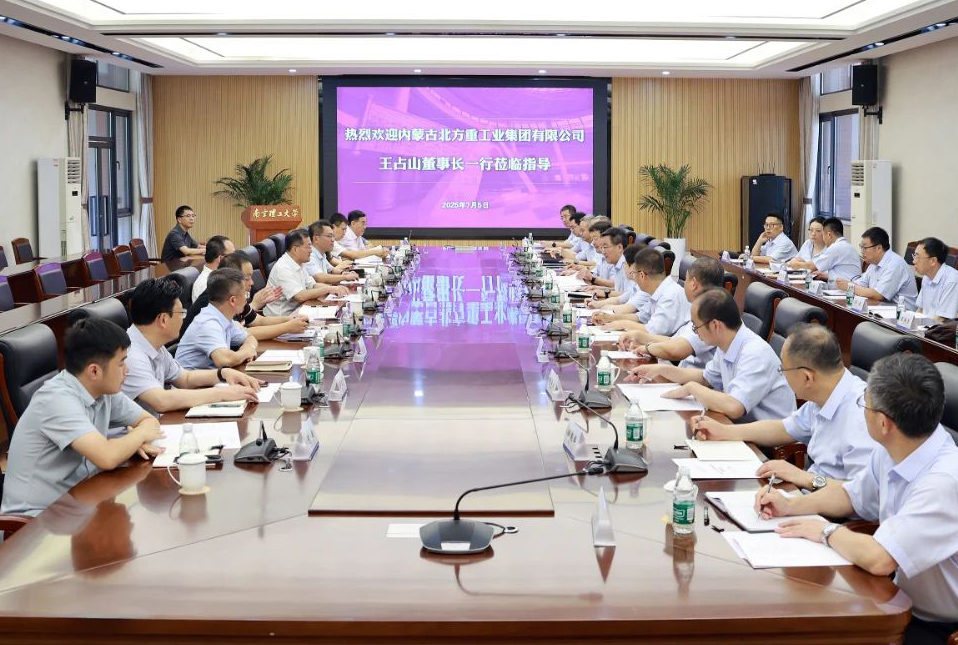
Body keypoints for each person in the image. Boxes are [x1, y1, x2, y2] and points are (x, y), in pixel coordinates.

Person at [756, 354, 958, 644]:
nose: (861, 407)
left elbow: (880, 558)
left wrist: (826, 531)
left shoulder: (943, 482)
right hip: (898, 597)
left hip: (939, 627)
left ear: (884, 423)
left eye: (865, 402)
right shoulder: (895, 447)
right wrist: (790, 505)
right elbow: (850, 496)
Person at [0, 314, 164, 517]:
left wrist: (133, 441)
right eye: (121, 363)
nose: (127, 371)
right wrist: (138, 436)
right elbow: (107, 457)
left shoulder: (104, 391)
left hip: (80, 499)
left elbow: (148, 420)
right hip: (35, 519)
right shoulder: (56, 400)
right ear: (94, 371)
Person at [693, 324, 877, 488]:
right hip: (810, 497)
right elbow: (783, 428)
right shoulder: (825, 394)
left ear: (807, 377)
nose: (782, 375)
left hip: (829, 510)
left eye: (783, 370)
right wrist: (724, 431)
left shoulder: (862, 418)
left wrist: (805, 478)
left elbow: (861, 496)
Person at [625, 289, 796, 422]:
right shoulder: (727, 343)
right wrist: (660, 369)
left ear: (715, 325)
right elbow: (706, 378)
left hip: (767, 445)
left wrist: (692, 388)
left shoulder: (755, 353)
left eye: (696, 327)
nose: (695, 332)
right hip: (738, 426)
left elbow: (734, 406)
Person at [123, 278, 263, 415]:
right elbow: (161, 401)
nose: (183, 319)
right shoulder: (131, 354)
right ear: (163, 319)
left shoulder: (153, 344)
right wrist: (222, 394)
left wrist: (223, 374)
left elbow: (185, 378)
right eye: (181, 313)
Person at [618, 256, 724, 368]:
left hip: (691, 375)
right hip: (681, 372)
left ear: (693, 284)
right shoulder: (702, 308)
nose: (684, 284)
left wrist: (647, 348)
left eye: (686, 279)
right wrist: (639, 336)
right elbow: (674, 340)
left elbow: (676, 349)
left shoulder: (710, 315)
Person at [183, 252, 309, 341]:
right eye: (247, 278)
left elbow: (258, 321)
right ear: (233, 277)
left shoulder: (236, 294)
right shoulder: (216, 299)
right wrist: (287, 327)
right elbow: (244, 333)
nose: (252, 283)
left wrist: (290, 319)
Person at [175, 268, 259, 369]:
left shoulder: (223, 317)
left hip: (214, 377)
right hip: (195, 379)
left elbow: (250, 338)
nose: (246, 299)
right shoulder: (207, 324)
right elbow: (225, 360)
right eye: (245, 294)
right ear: (233, 300)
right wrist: (246, 352)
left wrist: (249, 348)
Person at [595, 247, 689, 335]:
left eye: (634, 273)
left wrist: (622, 324)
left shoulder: (669, 296)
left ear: (642, 276)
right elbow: (640, 317)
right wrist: (610, 318)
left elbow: (652, 331)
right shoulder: (657, 291)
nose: (634, 278)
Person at [264, 229, 348, 317]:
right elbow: (300, 296)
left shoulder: (299, 262)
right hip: (281, 318)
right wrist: (328, 289)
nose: (311, 250)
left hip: (299, 310)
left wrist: (335, 289)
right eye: (308, 246)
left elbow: (312, 285)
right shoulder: (283, 268)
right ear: (295, 249)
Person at [838, 226, 918, 309]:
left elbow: (879, 295)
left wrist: (850, 287)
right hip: (881, 308)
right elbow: (862, 284)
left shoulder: (895, 264)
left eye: (865, 248)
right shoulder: (874, 263)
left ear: (878, 248)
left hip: (902, 313)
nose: (862, 251)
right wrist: (846, 284)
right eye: (861, 247)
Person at [913, 236, 958, 321]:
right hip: (924, 325)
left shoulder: (952, 280)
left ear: (933, 261)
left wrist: (921, 327)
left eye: (918, 257)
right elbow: (920, 309)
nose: (914, 261)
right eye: (914, 256)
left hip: (939, 328)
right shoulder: (926, 277)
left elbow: (941, 319)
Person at [306, 220, 360, 285]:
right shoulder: (309, 255)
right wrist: (344, 277)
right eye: (329, 236)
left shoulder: (322, 254)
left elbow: (332, 270)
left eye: (333, 236)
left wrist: (343, 273)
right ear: (316, 239)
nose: (333, 240)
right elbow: (319, 277)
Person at [810, 216, 862, 281]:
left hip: (845, 286)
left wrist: (798, 265)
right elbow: (842, 272)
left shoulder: (836, 247)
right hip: (845, 284)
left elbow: (812, 267)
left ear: (829, 235)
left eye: (823, 235)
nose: (823, 239)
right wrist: (825, 275)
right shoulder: (846, 246)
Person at [582, 227, 628, 294]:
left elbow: (627, 296)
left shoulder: (628, 267)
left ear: (619, 247)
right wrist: (598, 288)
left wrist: (605, 294)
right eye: (602, 247)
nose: (603, 252)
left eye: (605, 247)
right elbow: (618, 290)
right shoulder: (617, 264)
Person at [191, 235, 234, 302]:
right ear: (220, 258)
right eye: (232, 256)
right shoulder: (205, 284)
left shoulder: (223, 276)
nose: (235, 259)